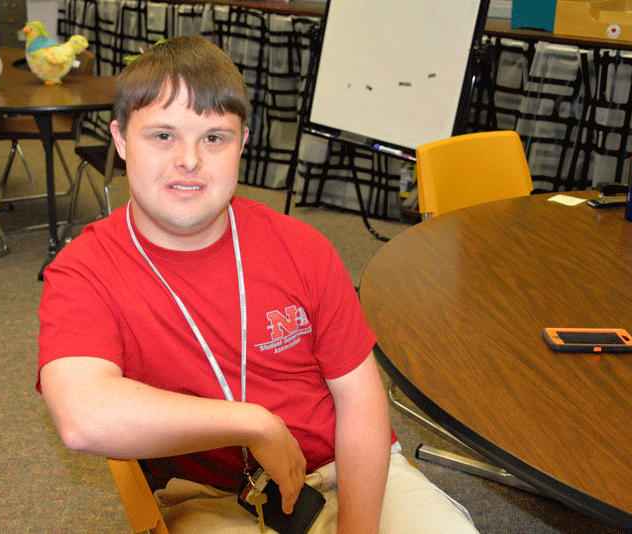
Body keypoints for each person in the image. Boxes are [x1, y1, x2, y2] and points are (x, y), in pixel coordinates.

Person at [37, 35, 479, 534]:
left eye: (214, 138)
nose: (188, 159)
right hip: (213, 497)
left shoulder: (302, 246)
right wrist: (253, 423)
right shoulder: (85, 269)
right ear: (119, 140)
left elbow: (359, 399)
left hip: (342, 468)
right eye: (163, 136)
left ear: (243, 143)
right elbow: (82, 417)